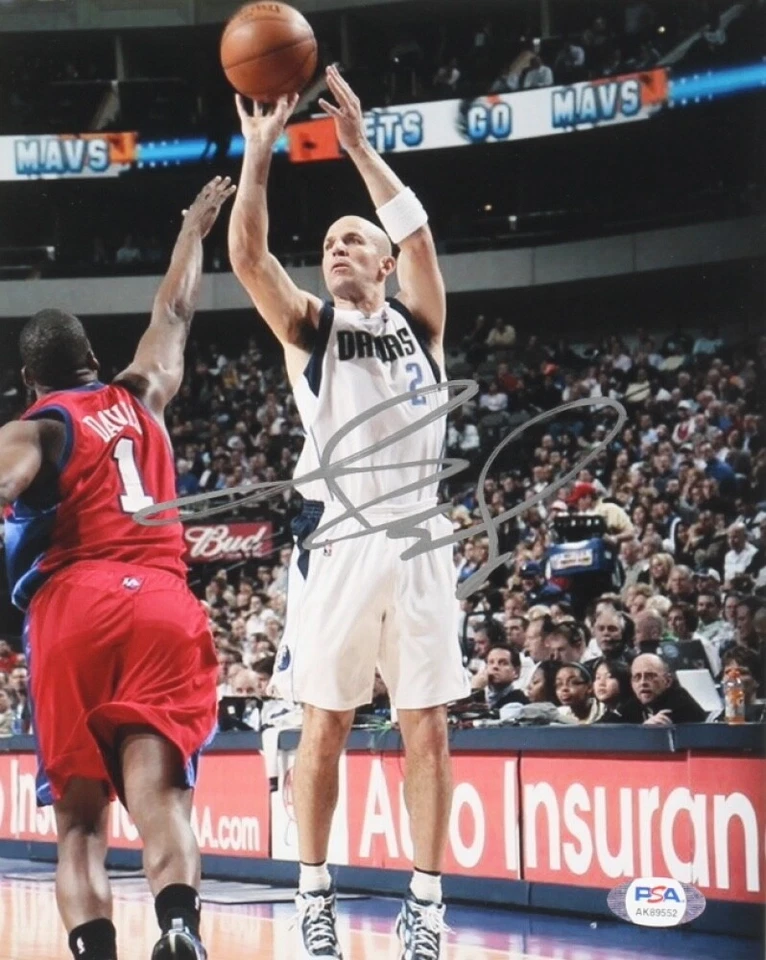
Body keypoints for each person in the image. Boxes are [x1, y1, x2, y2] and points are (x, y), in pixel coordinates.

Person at [228, 66, 469, 959]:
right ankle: (315, 892)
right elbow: (250, 259)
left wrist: (360, 149)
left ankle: (428, 904)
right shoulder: (311, 332)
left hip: (421, 535)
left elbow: (423, 236)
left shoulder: (424, 323)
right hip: (342, 537)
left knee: (428, 726)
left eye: (352, 238)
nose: (335, 246)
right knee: (322, 723)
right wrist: (259, 157)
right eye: (327, 240)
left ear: (383, 261)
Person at [0, 176, 235, 960]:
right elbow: (174, 311)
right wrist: (192, 231)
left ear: (29, 383)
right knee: (161, 794)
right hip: (162, 603)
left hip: (73, 607)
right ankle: (178, 928)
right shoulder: (142, 394)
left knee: (78, 822)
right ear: (95, 360)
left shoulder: (33, 427)